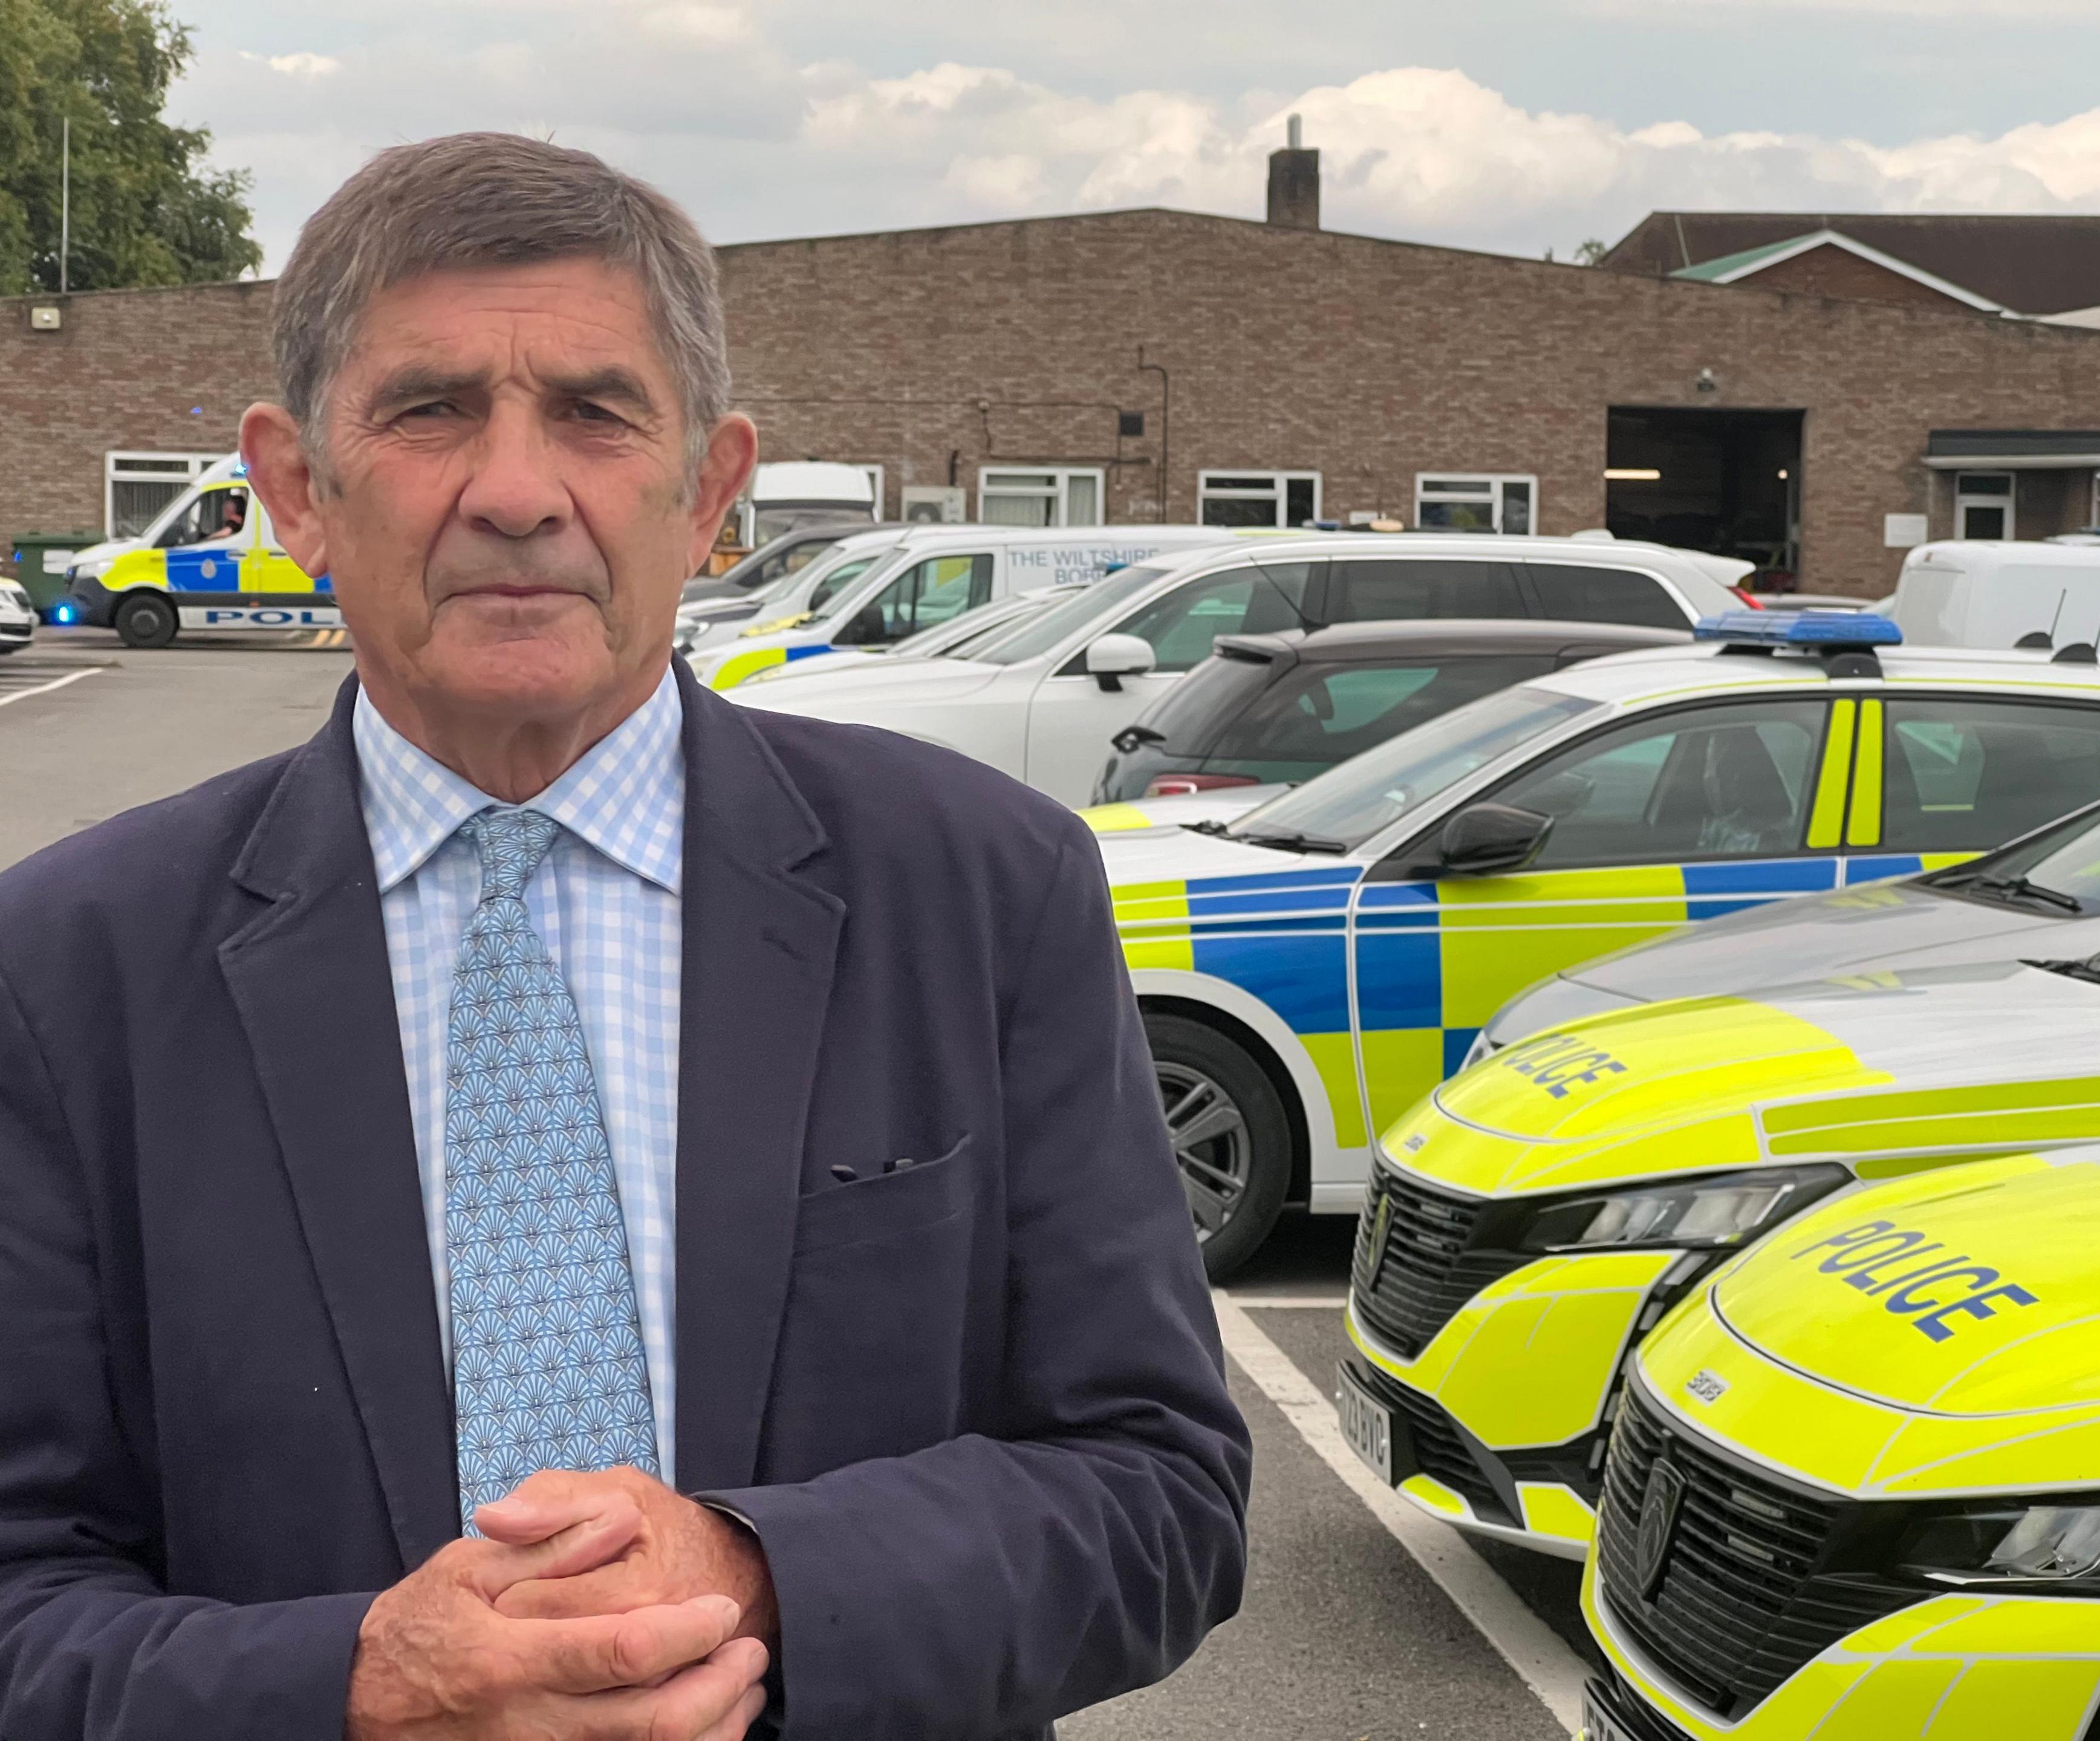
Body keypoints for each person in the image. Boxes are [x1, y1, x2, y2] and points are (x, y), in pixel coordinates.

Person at [0, 132, 1249, 1740]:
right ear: (298, 487)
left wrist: (759, 1576)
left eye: (594, 413)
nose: (516, 493)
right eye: (429, 408)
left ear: (711, 492)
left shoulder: (986, 893)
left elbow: (1161, 1496)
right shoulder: (66, 970)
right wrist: (358, 1692)